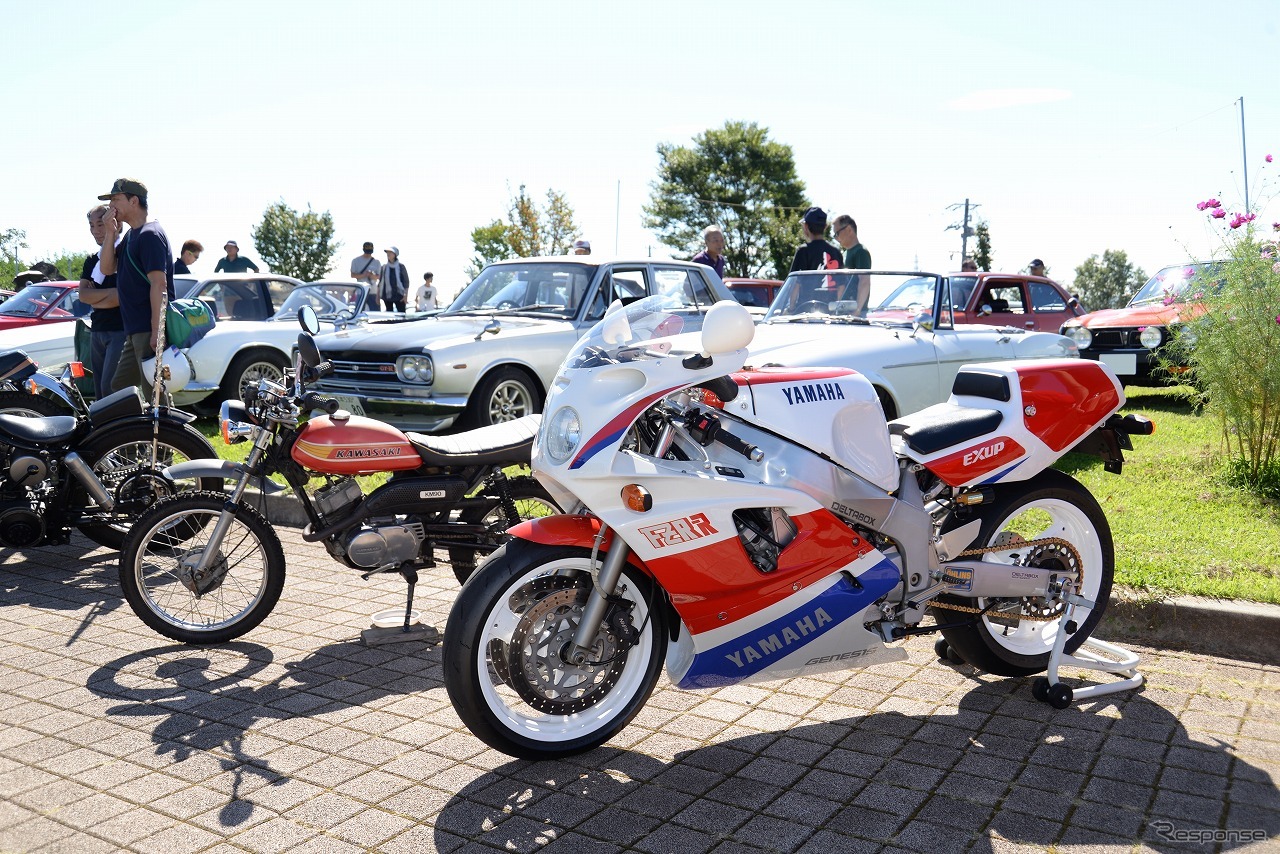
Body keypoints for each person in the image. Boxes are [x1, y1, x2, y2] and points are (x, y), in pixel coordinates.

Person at [96, 178, 175, 395]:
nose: (111, 206)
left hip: (147, 329)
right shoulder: (131, 235)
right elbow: (106, 269)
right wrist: (110, 233)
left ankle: (160, 430)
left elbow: (160, 284)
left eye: (116, 199)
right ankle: (133, 429)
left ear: (133, 201)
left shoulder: (150, 235)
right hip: (134, 330)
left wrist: (157, 333)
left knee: (154, 393)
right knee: (119, 389)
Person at [77, 205, 127, 398]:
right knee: (99, 391)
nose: (96, 230)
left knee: (111, 388)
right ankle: (104, 428)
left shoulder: (124, 254)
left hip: (120, 331)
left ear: (116, 223)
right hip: (97, 331)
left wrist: (97, 297)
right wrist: (110, 295)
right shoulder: (92, 260)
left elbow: (122, 297)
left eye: (100, 224)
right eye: (91, 225)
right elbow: (83, 296)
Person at [788, 207, 843, 273]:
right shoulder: (836, 252)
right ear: (825, 227)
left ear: (806, 226)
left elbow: (795, 282)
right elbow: (842, 282)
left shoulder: (803, 251)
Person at [380, 246, 409, 312]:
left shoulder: (401, 266)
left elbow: (406, 282)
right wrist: (378, 296)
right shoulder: (384, 267)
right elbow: (380, 281)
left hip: (399, 295)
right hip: (387, 295)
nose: (388, 254)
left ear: (395, 254)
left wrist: (405, 296)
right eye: (387, 252)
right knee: (389, 315)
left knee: (401, 315)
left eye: (390, 252)